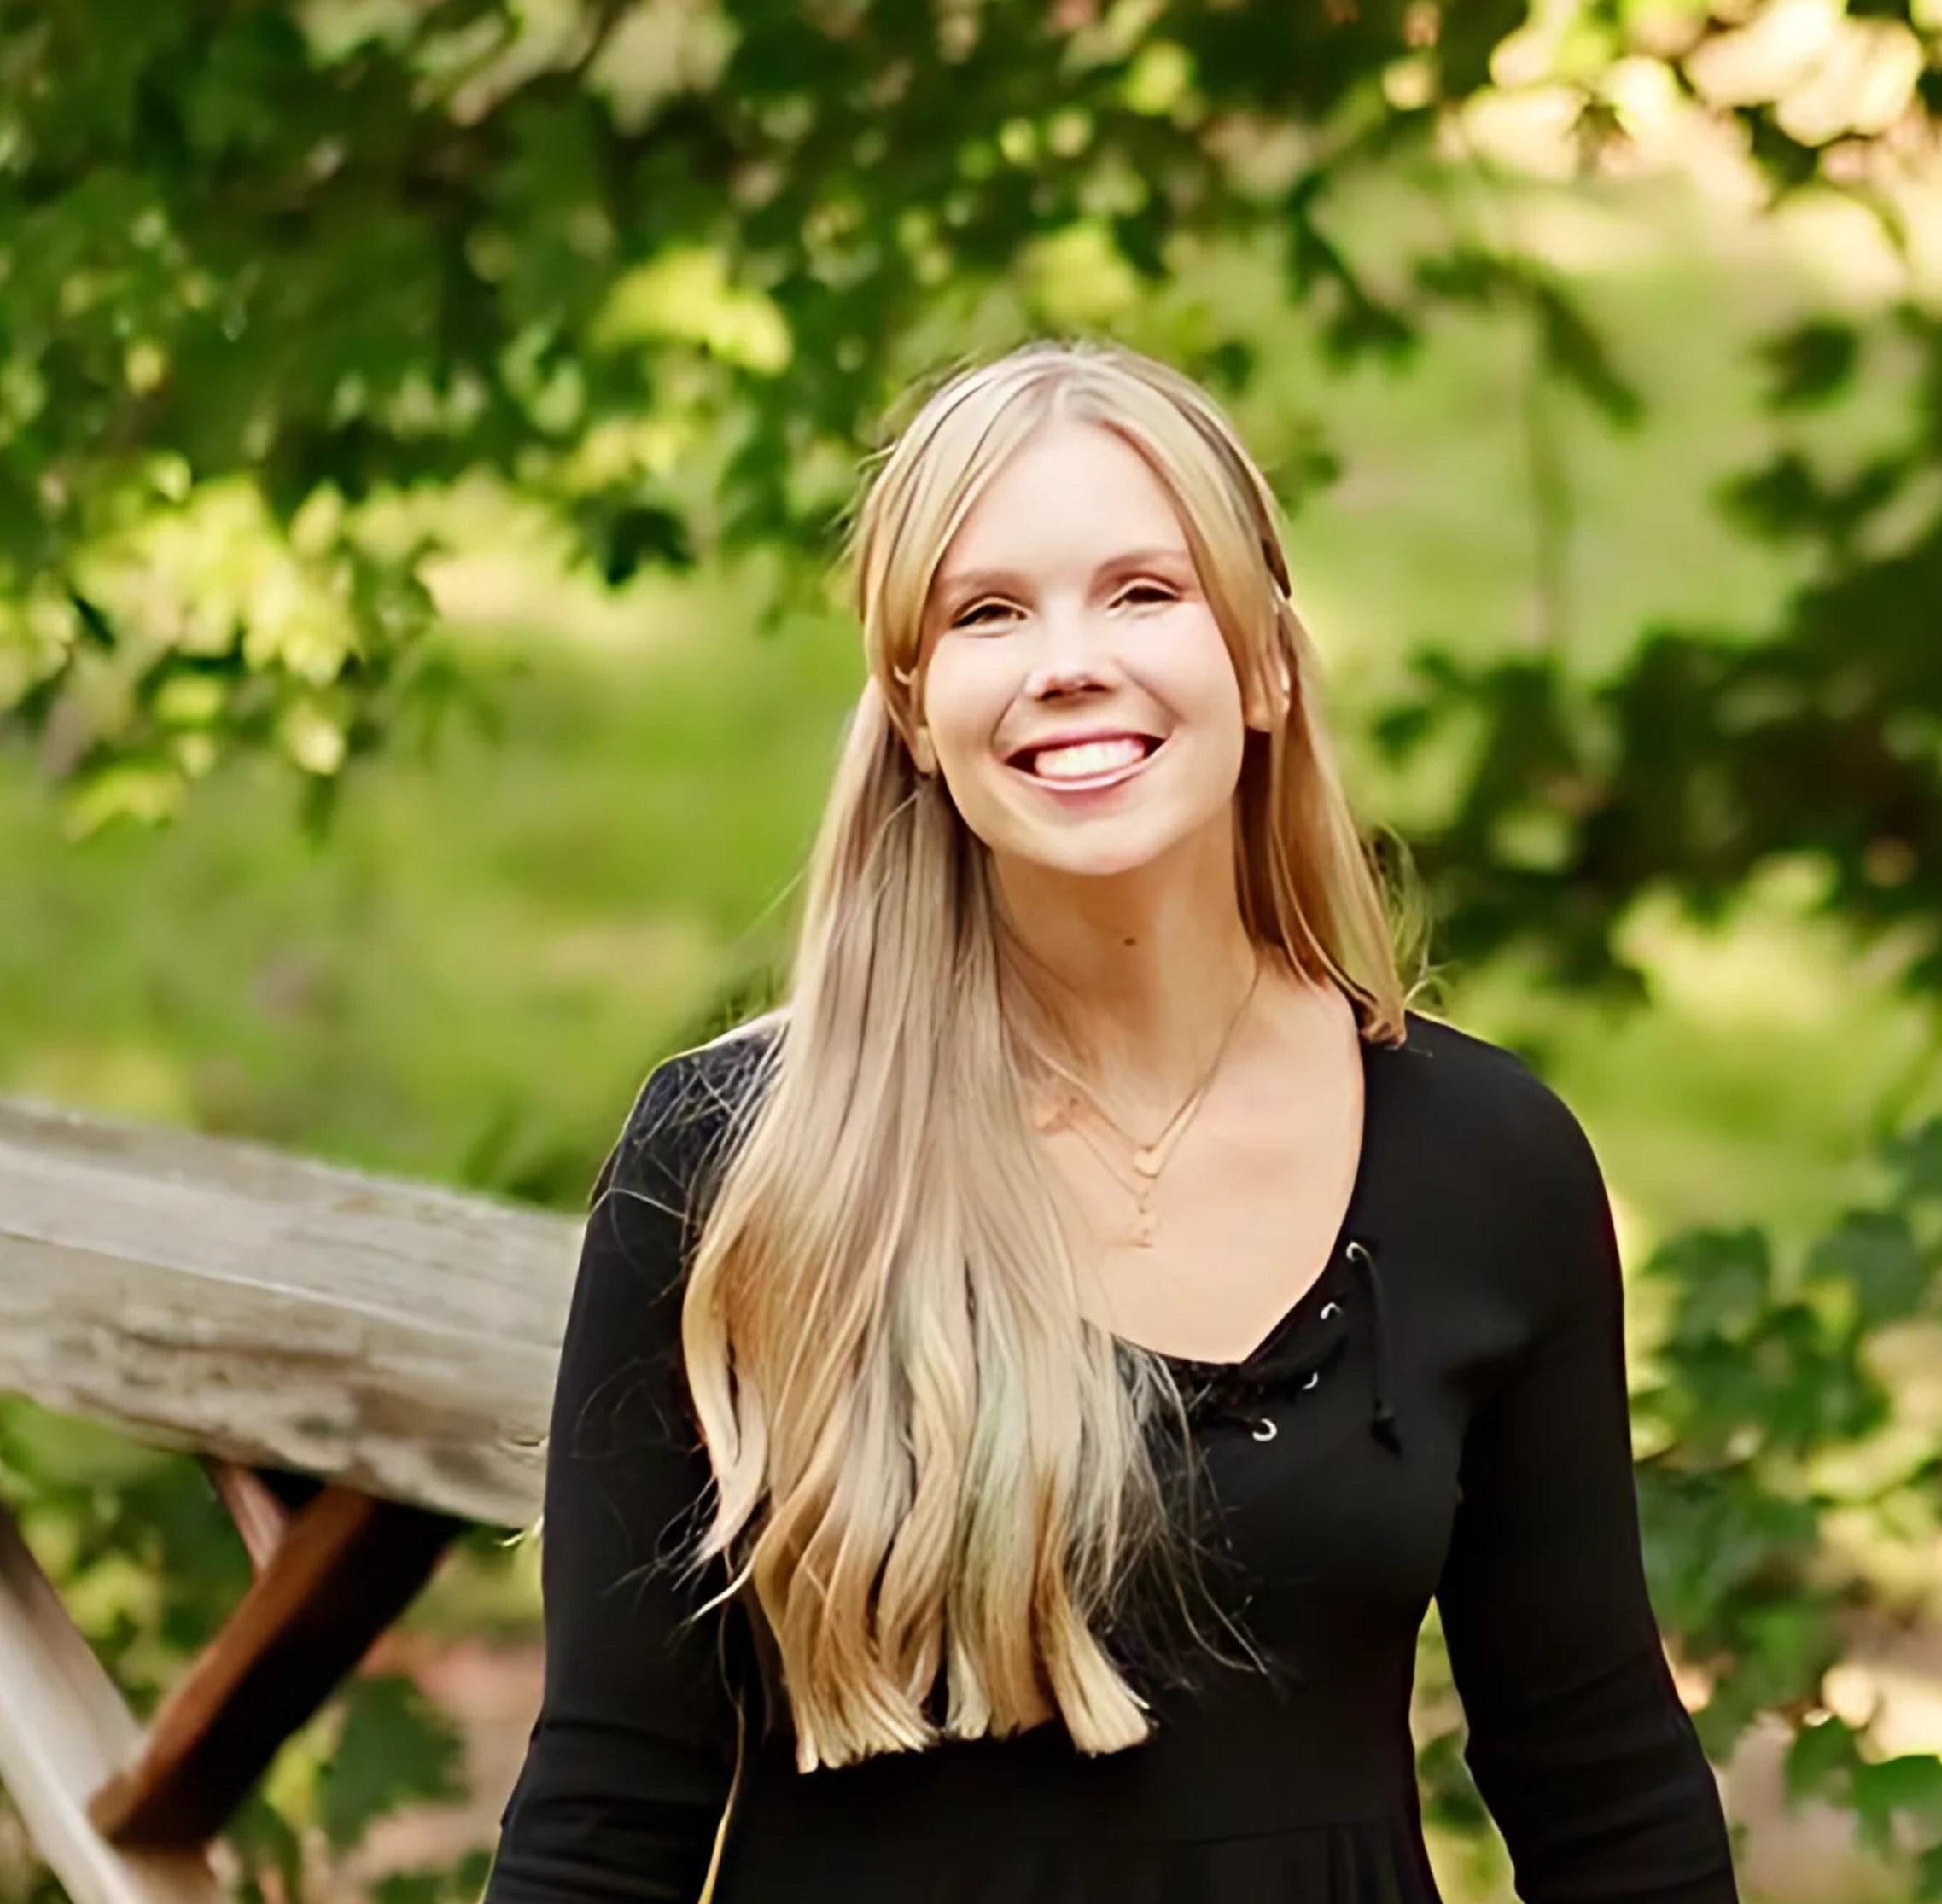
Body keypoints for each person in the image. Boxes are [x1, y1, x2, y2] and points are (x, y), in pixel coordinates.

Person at [484, 340, 1740, 1904]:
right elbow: (606, 1813)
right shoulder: (735, 1162)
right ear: (914, 706)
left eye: (1144, 592)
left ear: (1266, 665)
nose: (1068, 662)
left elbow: (1603, 1784)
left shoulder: (1487, 1164)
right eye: (988, 613)